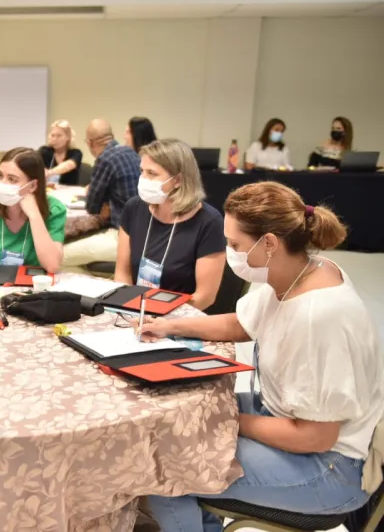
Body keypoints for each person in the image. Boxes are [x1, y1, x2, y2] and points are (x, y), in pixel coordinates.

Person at [136, 181, 383, 532]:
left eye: (234, 244)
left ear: (269, 243)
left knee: (166, 473)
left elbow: (315, 437)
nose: (229, 251)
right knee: (180, 414)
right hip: (285, 414)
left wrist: (225, 417)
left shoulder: (319, 315)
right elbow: (242, 322)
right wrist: (168, 326)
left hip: (330, 468)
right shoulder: (298, 269)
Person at [115, 139, 225, 310]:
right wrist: (128, 311)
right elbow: (123, 274)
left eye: (152, 173)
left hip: (182, 320)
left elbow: (204, 297)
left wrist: (160, 320)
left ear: (178, 180)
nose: (143, 179)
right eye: (142, 171)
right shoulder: (134, 208)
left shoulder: (209, 222)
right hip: (136, 312)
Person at [62, 118, 141, 267]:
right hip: (141, 234)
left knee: (58, 256)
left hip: (121, 235)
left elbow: (92, 207)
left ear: (90, 143)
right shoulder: (131, 152)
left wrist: (104, 204)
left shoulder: (105, 159)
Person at [38, 120, 83, 185]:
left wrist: (50, 173)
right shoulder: (44, 151)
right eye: (52, 135)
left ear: (68, 137)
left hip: (68, 191)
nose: (55, 139)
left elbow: (69, 165)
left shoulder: (76, 153)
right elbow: (35, 163)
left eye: (59, 136)